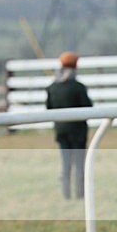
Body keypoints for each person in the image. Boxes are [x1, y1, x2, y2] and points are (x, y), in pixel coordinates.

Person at [46, 52, 93, 199]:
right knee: (79, 164)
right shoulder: (78, 87)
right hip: (78, 131)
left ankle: (66, 195)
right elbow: (87, 106)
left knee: (65, 164)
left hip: (61, 131)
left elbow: (49, 108)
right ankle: (80, 195)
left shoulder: (52, 87)